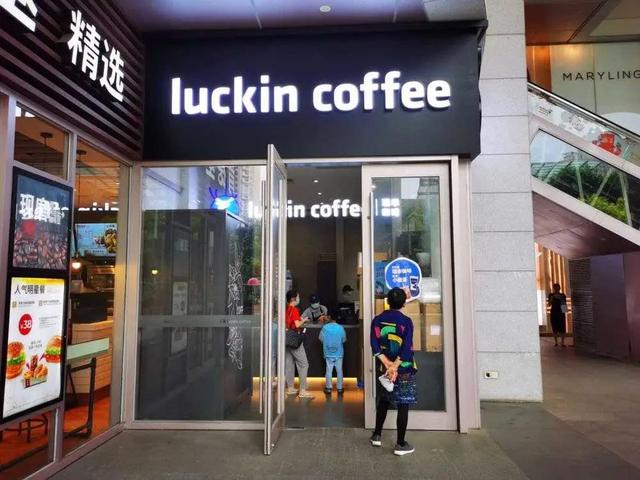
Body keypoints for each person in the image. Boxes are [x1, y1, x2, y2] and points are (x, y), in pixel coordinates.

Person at [369, 287, 417, 456]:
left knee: (384, 400)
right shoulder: (406, 321)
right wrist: (395, 366)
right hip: (403, 369)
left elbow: (374, 345)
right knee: (403, 404)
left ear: (387, 302)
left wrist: (388, 365)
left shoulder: (377, 320)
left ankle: (377, 435)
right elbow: (407, 348)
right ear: (404, 303)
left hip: (385, 370)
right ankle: (400, 444)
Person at [285, 289, 315, 399]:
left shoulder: (286, 309)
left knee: (289, 363)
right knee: (304, 364)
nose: (298, 299)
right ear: (293, 299)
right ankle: (303, 390)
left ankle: (290, 388)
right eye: (297, 297)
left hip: (286, 338)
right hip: (294, 339)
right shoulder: (294, 309)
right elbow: (297, 325)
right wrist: (304, 320)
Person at [319, 315, 346, 395]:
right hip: (339, 352)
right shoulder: (340, 328)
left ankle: (328, 388)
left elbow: (320, 338)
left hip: (328, 352)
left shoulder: (324, 328)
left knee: (328, 370)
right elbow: (344, 339)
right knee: (339, 370)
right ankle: (340, 388)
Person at [548, 283, 567, 347]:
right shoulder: (551, 295)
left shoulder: (562, 295)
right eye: (555, 287)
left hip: (561, 313)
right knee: (554, 327)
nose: (556, 289)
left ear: (559, 288)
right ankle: (556, 342)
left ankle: (562, 342)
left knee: (562, 327)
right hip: (554, 313)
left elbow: (564, 305)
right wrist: (552, 298)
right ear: (553, 288)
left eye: (557, 287)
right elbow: (549, 304)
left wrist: (561, 299)